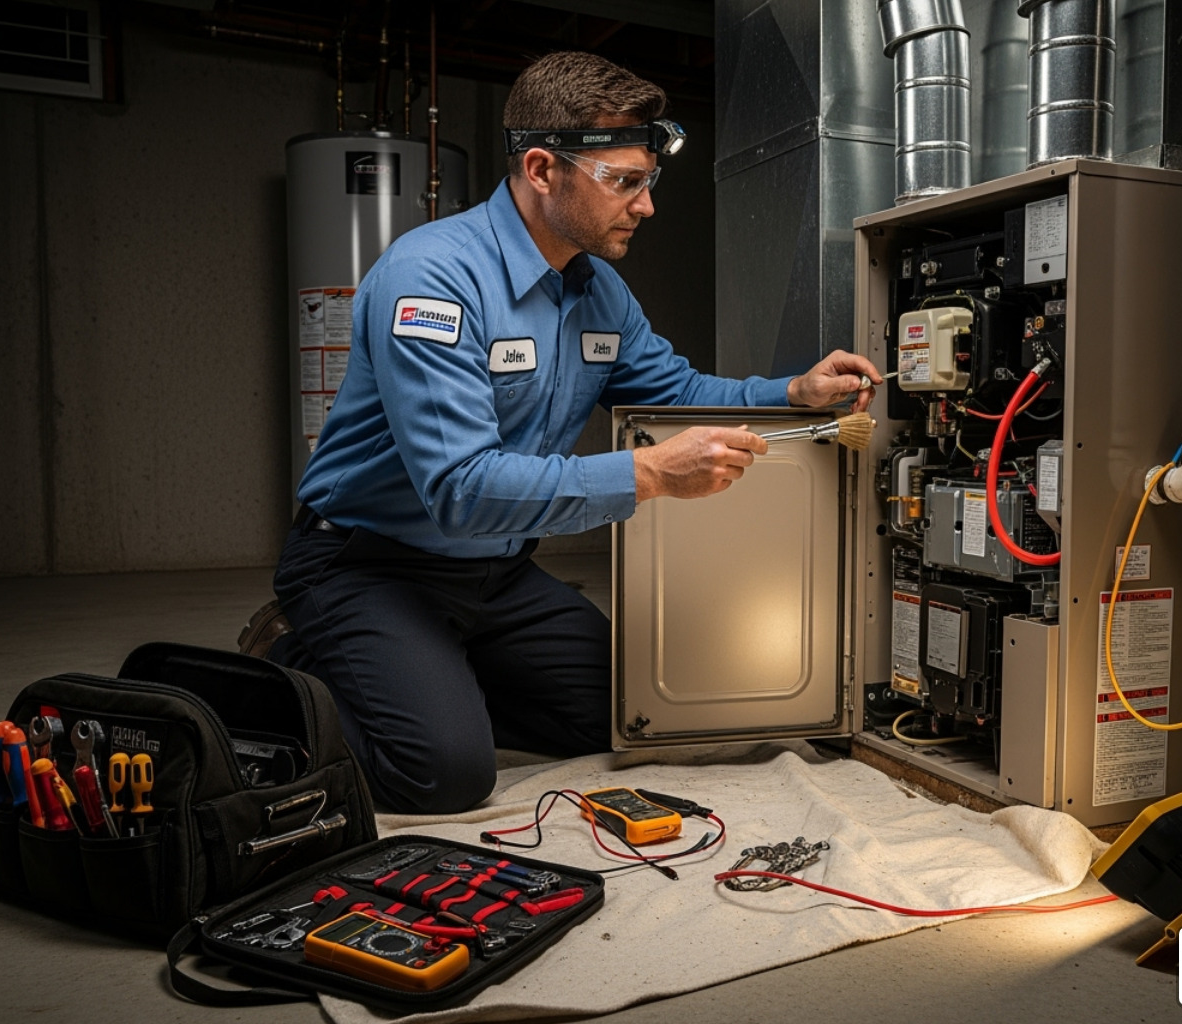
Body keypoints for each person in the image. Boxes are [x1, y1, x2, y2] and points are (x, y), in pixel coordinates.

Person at [257, 51, 880, 814]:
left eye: (648, 179)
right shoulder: (432, 279)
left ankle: (431, 678)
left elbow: (676, 391)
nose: (646, 206)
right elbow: (459, 490)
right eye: (625, 181)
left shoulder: (596, 289)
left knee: (631, 718)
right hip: (369, 564)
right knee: (442, 773)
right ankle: (293, 666)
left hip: (497, 573)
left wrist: (791, 391)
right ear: (543, 169)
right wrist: (649, 476)